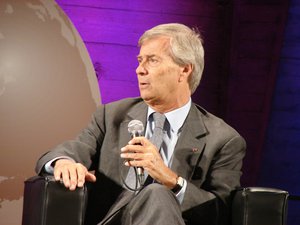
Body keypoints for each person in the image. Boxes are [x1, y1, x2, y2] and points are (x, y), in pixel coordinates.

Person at [36, 23, 246, 225]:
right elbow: (76, 148)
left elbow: (221, 212)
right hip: (114, 220)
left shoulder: (223, 140)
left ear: (184, 70)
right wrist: (63, 162)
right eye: (140, 60)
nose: (139, 70)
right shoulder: (112, 116)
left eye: (152, 60)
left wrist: (172, 181)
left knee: (157, 193)